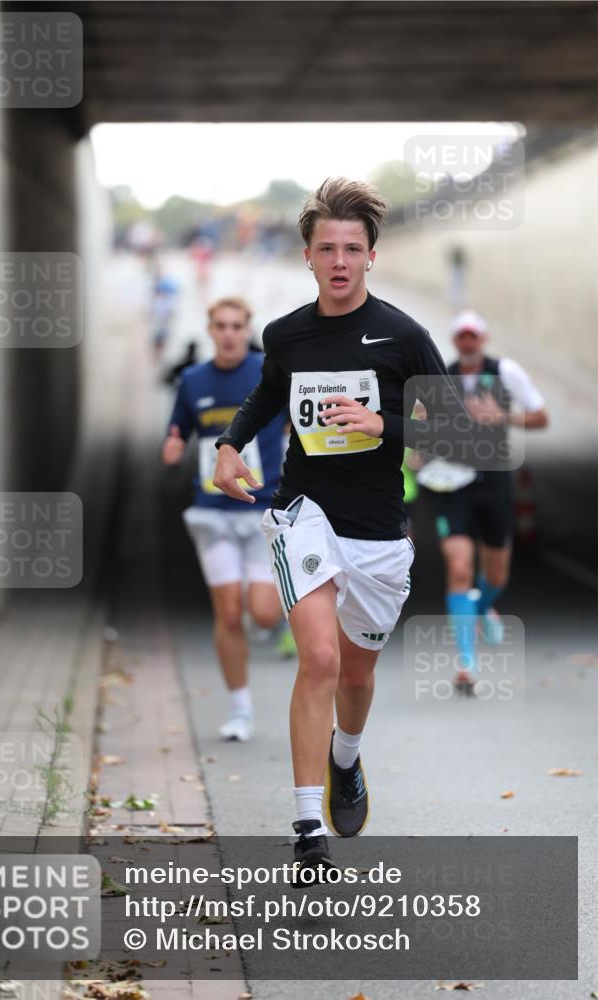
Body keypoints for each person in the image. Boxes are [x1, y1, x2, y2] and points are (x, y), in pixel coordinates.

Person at [212, 178, 484, 878]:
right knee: (321, 661)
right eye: (326, 248)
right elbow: (270, 391)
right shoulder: (288, 334)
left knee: (355, 675)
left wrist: (382, 425)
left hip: (378, 535)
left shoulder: (403, 337)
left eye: (352, 249)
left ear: (370, 256)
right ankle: (307, 829)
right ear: (306, 255)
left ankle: (345, 756)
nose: (339, 260)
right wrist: (229, 444)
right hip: (305, 514)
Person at [162, 297, 288, 741]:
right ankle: (240, 709)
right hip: (212, 512)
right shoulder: (193, 380)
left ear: (247, 328)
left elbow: (298, 423)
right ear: (210, 329)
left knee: (265, 614)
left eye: (237, 325)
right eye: (221, 325)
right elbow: (176, 429)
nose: (230, 333)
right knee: (229, 613)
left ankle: (266, 622)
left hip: (261, 509)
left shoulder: (268, 371)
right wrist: (172, 449)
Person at [418, 309, 548, 693]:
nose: (468, 342)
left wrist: (504, 415)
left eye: (474, 336)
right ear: (455, 341)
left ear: (484, 339)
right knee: (458, 567)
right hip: (453, 484)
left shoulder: (505, 372)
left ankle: (482, 603)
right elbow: (420, 423)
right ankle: (466, 663)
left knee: (495, 576)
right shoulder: (442, 376)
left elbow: (541, 417)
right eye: (462, 337)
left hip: (494, 483)